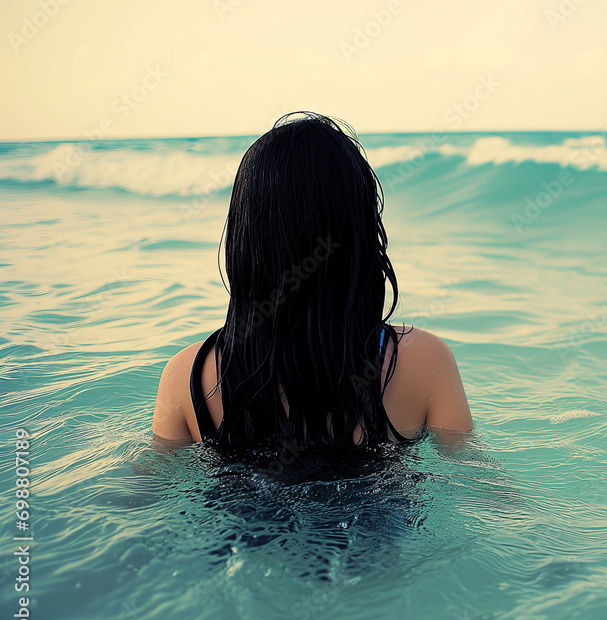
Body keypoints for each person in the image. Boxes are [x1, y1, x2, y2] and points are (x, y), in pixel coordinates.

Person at [152, 113, 473, 459]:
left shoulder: (188, 377)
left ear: (245, 241)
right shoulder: (423, 362)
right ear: (361, 238)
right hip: (373, 512)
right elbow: (479, 485)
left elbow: (146, 491)